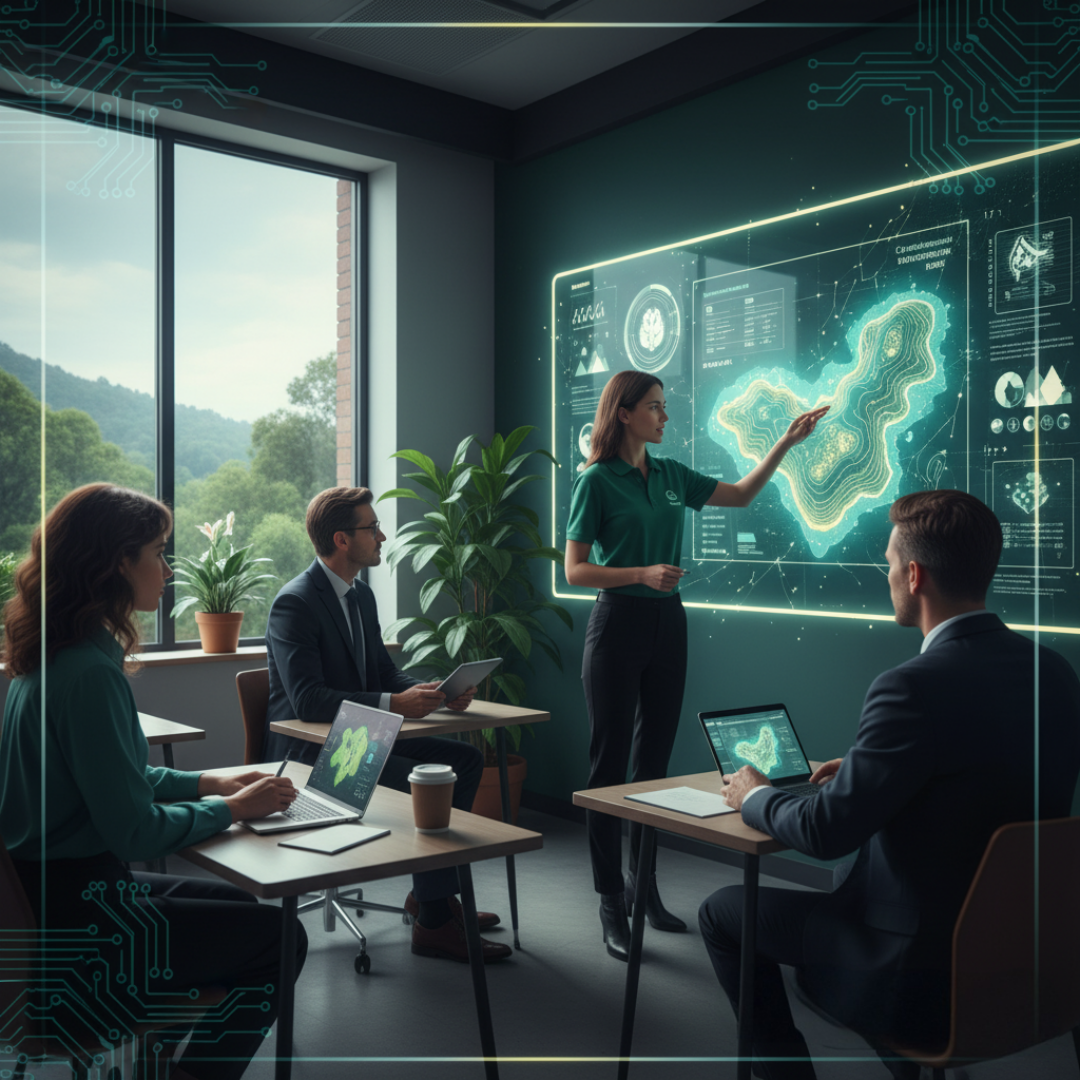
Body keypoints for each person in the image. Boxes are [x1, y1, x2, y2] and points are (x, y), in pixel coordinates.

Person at [699, 490, 1080, 1080]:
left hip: (917, 973)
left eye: (886, 564)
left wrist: (755, 796)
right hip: (1027, 962)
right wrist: (867, 763)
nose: (885, 576)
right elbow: (983, 775)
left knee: (723, 911)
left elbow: (825, 833)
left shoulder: (910, 687)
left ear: (914, 573)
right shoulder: (1053, 672)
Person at [0, 483, 307, 1080]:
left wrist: (208, 783)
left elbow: (114, 776)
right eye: (159, 552)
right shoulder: (90, 676)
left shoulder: (50, 659)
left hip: (52, 898)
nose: (167, 570)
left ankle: (161, 1058)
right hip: (82, 928)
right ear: (119, 562)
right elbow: (135, 830)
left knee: (238, 907)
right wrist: (237, 809)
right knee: (279, 939)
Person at [564, 370, 827, 960]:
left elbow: (740, 494)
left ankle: (645, 889)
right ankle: (611, 900)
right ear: (625, 414)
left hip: (667, 623)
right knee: (609, 769)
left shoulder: (671, 474)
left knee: (652, 764)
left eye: (665, 407)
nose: (664, 417)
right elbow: (575, 571)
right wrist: (640, 573)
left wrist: (786, 443)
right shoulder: (596, 481)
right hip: (616, 623)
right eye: (655, 408)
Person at [263, 486, 510, 963]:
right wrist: (393, 701)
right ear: (341, 539)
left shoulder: (361, 597)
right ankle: (435, 920)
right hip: (312, 755)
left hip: (359, 739)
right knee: (425, 780)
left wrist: (432, 692)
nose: (382, 535)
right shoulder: (294, 603)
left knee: (463, 759)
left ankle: (430, 898)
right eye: (371, 527)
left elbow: (382, 672)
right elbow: (308, 699)